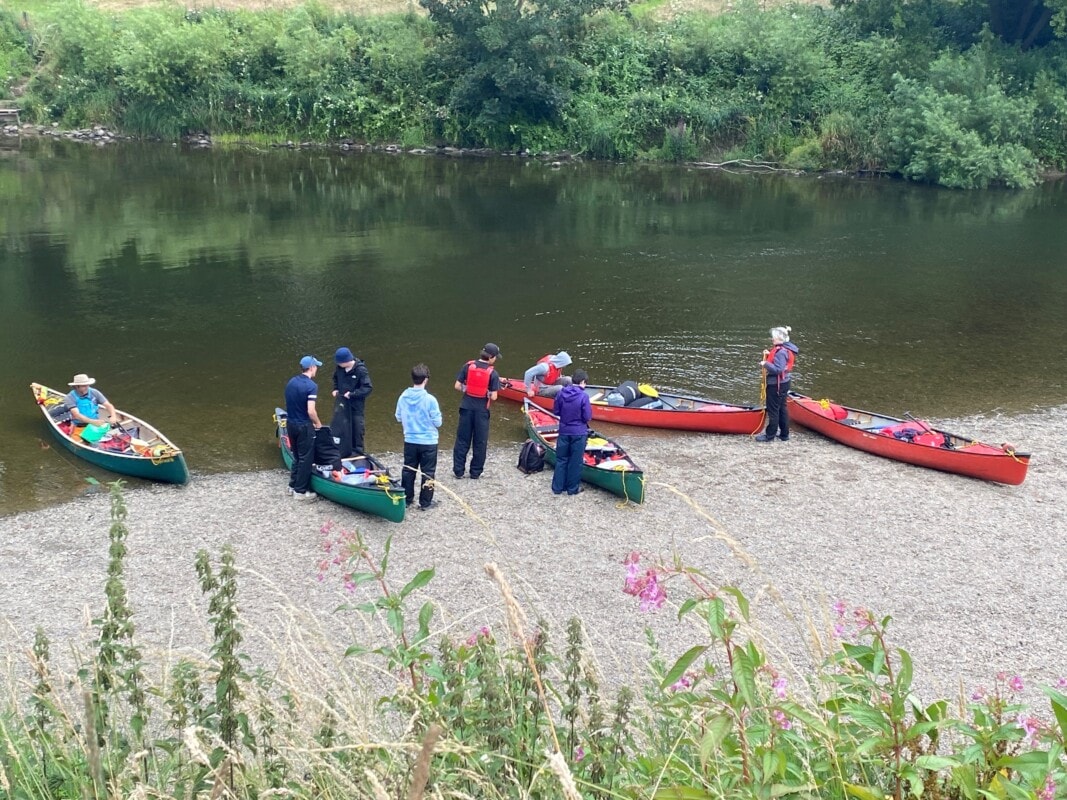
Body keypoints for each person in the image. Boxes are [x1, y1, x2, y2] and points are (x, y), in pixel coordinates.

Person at [396, 363, 443, 511]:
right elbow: (438, 422)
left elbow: (398, 417)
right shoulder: (430, 400)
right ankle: (425, 502)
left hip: (410, 440)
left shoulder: (403, 396)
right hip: (428, 441)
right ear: (426, 379)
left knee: (408, 470)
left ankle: (407, 499)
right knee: (428, 472)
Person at [452, 343, 502, 479]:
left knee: (462, 440)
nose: (495, 359)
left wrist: (468, 389)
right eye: (495, 357)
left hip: (466, 407)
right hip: (481, 411)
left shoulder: (468, 366)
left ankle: (458, 471)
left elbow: (457, 386)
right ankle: (475, 472)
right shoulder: (493, 373)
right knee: (480, 442)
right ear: (490, 357)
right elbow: (494, 396)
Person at [285, 355, 324, 499]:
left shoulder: (291, 382)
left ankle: (292, 486)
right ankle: (300, 492)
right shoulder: (311, 386)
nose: (317, 370)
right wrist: (318, 424)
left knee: (296, 456)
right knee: (305, 459)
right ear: (312, 367)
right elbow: (310, 411)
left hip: (291, 424)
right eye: (316, 367)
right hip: (304, 426)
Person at [552, 369, 592, 495]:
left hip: (564, 431)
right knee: (575, 461)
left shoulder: (561, 393)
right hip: (578, 433)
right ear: (582, 382)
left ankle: (557, 487)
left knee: (561, 459)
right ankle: (572, 488)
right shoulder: (583, 396)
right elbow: (587, 416)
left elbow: (556, 411)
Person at [755, 326, 799, 443]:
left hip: (777, 385)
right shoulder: (785, 349)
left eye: (774, 338)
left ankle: (769, 436)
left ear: (780, 339)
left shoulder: (781, 352)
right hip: (785, 383)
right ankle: (784, 434)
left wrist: (765, 363)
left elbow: (778, 369)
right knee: (782, 408)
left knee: (773, 409)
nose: (772, 339)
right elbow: (781, 361)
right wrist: (770, 354)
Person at [331, 346, 373, 457]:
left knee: (357, 430)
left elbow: (367, 388)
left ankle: (358, 454)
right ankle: (342, 451)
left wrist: (352, 394)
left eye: (340, 362)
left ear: (347, 361)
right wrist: (335, 389)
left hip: (356, 407)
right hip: (342, 405)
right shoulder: (339, 368)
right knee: (341, 428)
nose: (338, 364)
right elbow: (335, 378)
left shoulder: (360, 370)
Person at [63, 374, 118, 438]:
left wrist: (113, 416)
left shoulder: (94, 392)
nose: (87, 387)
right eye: (84, 386)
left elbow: (108, 405)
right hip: (80, 426)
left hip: (96, 423)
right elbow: (77, 415)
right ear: (76, 386)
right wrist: (93, 422)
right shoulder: (70, 397)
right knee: (83, 441)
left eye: (87, 385)